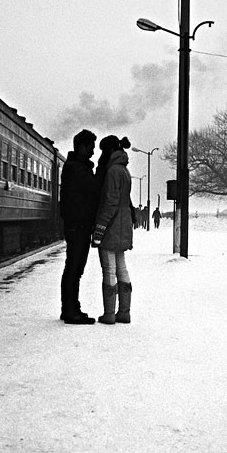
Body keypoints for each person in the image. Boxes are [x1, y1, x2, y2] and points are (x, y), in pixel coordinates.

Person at [58, 129, 99, 324]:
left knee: (73, 268)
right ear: (82, 146)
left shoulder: (75, 166)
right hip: (78, 225)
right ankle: (70, 310)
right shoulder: (77, 168)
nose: (92, 151)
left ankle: (71, 307)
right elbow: (95, 187)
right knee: (75, 268)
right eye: (90, 147)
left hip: (77, 224)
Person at [92, 135, 134, 325]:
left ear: (108, 151)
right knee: (122, 267)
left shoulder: (112, 172)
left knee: (109, 269)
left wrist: (99, 229)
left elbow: (110, 203)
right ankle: (124, 312)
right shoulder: (124, 170)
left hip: (111, 225)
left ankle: (109, 313)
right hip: (124, 225)